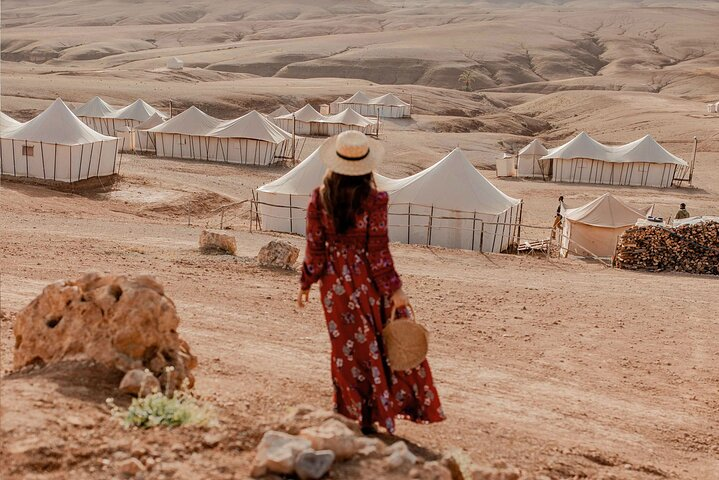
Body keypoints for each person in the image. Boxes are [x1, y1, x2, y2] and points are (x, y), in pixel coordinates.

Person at [296, 131, 445, 435]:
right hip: (368, 283)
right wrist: (395, 290)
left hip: (334, 286)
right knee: (379, 346)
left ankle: (351, 413)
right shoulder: (375, 200)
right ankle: (380, 412)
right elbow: (378, 252)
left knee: (346, 351)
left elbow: (316, 247)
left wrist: (307, 281)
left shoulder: (319, 198)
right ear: (366, 165)